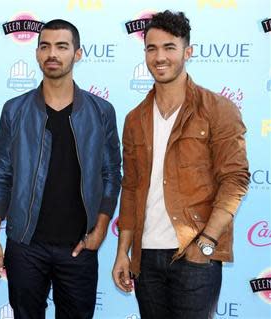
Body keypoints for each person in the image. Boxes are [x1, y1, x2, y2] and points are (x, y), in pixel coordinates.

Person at [112, 10, 250, 319]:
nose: (159, 57)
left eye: (169, 47)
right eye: (151, 48)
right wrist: (123, 252)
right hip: (145, 259)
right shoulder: (135, 118)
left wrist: (205, 244)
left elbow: (235, 179)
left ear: (187, 52)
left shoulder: (218, 109)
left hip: (194, 254)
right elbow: (131, 188)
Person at [0, 19, 121, 319]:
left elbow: (112, 174)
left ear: (78, 54)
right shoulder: (15, 110)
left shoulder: (101, 112)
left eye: (62, 46)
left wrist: (99, 230)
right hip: (24, 245)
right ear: (36, 53)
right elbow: (0, 175)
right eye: (45, 46)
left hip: (80, 246)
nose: (52, 54)